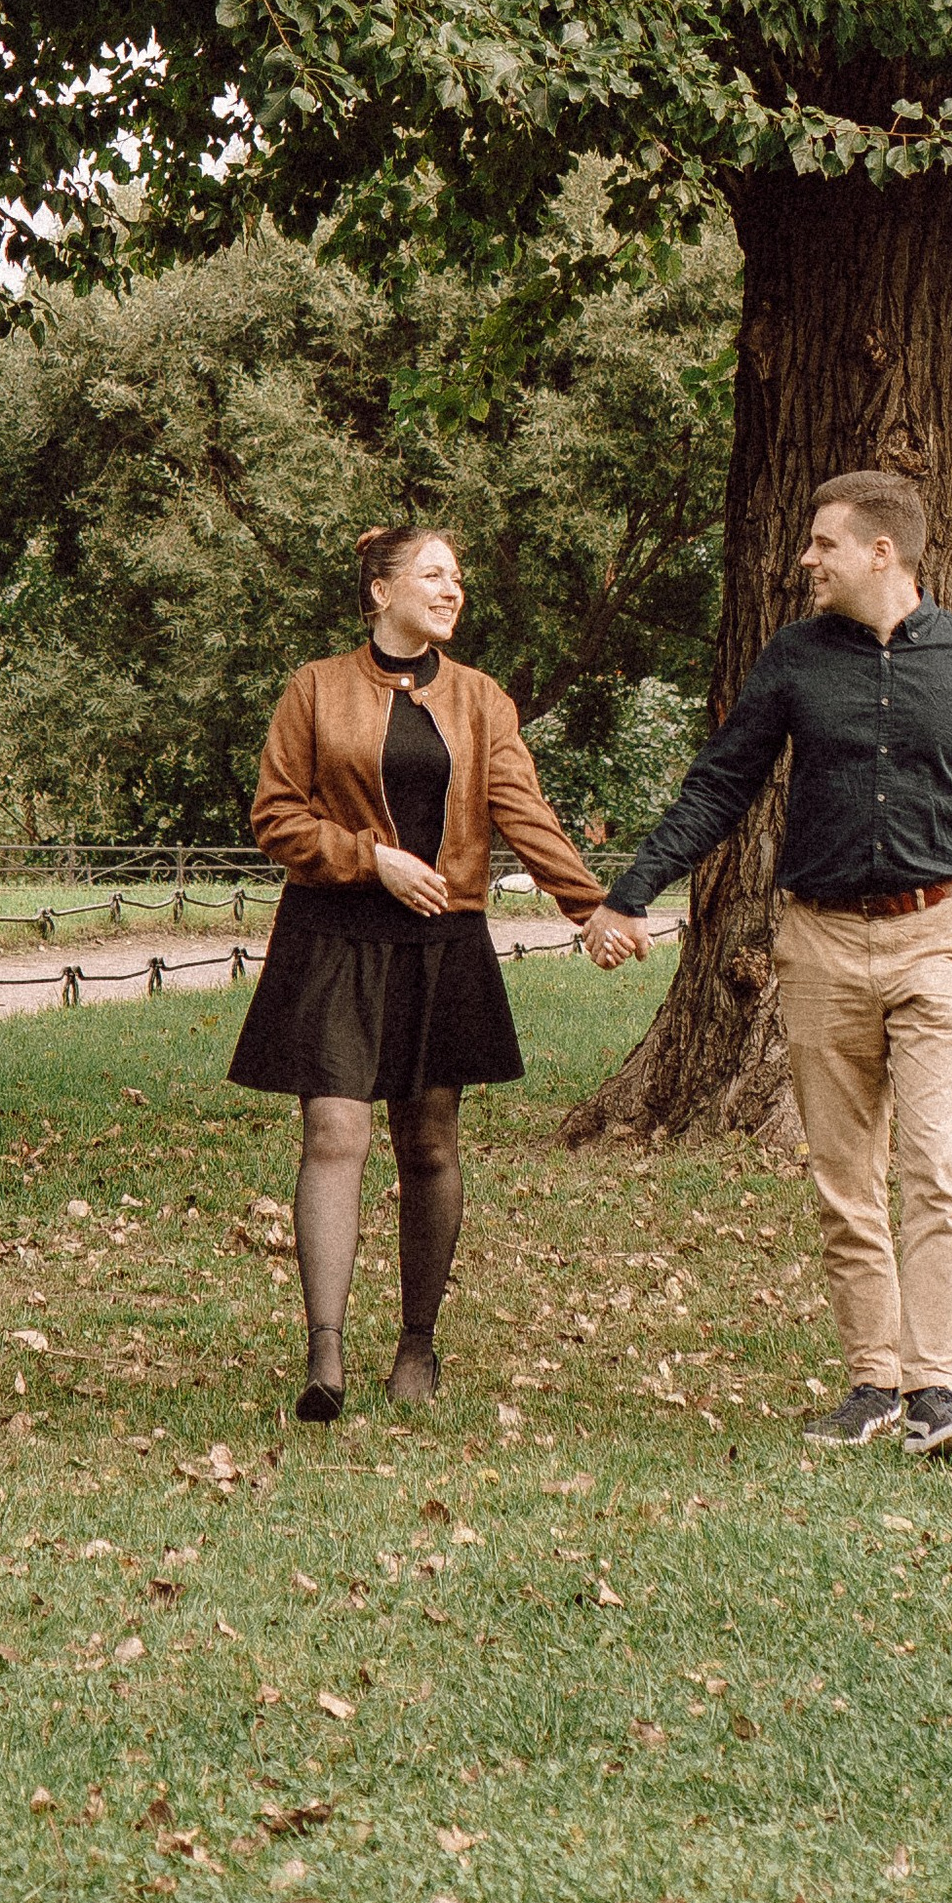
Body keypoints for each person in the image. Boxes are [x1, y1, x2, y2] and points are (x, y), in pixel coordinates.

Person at [584, 469, 952, 1458]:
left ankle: (938, 1391)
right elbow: (719, 787)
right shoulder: (794, 660)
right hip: (821, 943)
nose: (806, 559)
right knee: (847, 1178)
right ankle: (871, 1382)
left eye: (823, 545)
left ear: (880, 552)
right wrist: (629, 891)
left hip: (941, 937)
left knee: (937, 1170)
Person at [231, 524, 609, 1422]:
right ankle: (324, 1358)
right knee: (333, 1133)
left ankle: (417, 1346)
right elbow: (276, 817)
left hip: (443, 942)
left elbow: (523, 809)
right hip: (334, 935)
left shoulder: (482, 701)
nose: (453, 591)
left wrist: (588, 907)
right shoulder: (314, 689)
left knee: (429, 1143)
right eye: (434, 575)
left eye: (458, 578)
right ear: (381, 591)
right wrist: (373, 860)